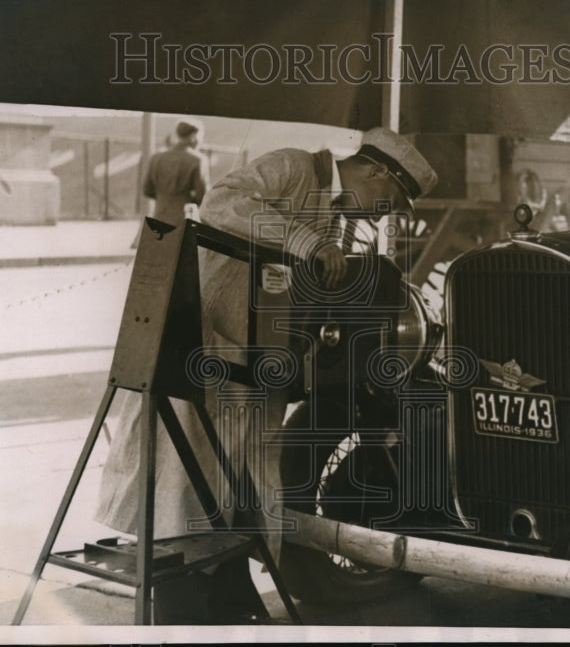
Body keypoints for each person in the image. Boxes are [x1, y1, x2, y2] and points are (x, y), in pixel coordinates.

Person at [96, 127, 438, 623]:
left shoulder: (340, 220)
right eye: (387, 200)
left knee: (245, 489)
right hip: (207, 346)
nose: (381, 213)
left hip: (257, 366)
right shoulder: (297, 167)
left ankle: (231, 595)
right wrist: (306, 244)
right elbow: (221, 200)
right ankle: (182, 607)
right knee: (186, 484)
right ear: (376, 169)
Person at [144, 120, 209, 226]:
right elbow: (201, 196)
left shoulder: (156, 158)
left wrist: (164, 198)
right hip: (183, 218)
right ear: (194, 136)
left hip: (158, 215)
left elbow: (147, 190)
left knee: (159, 242)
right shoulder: (198, 160)